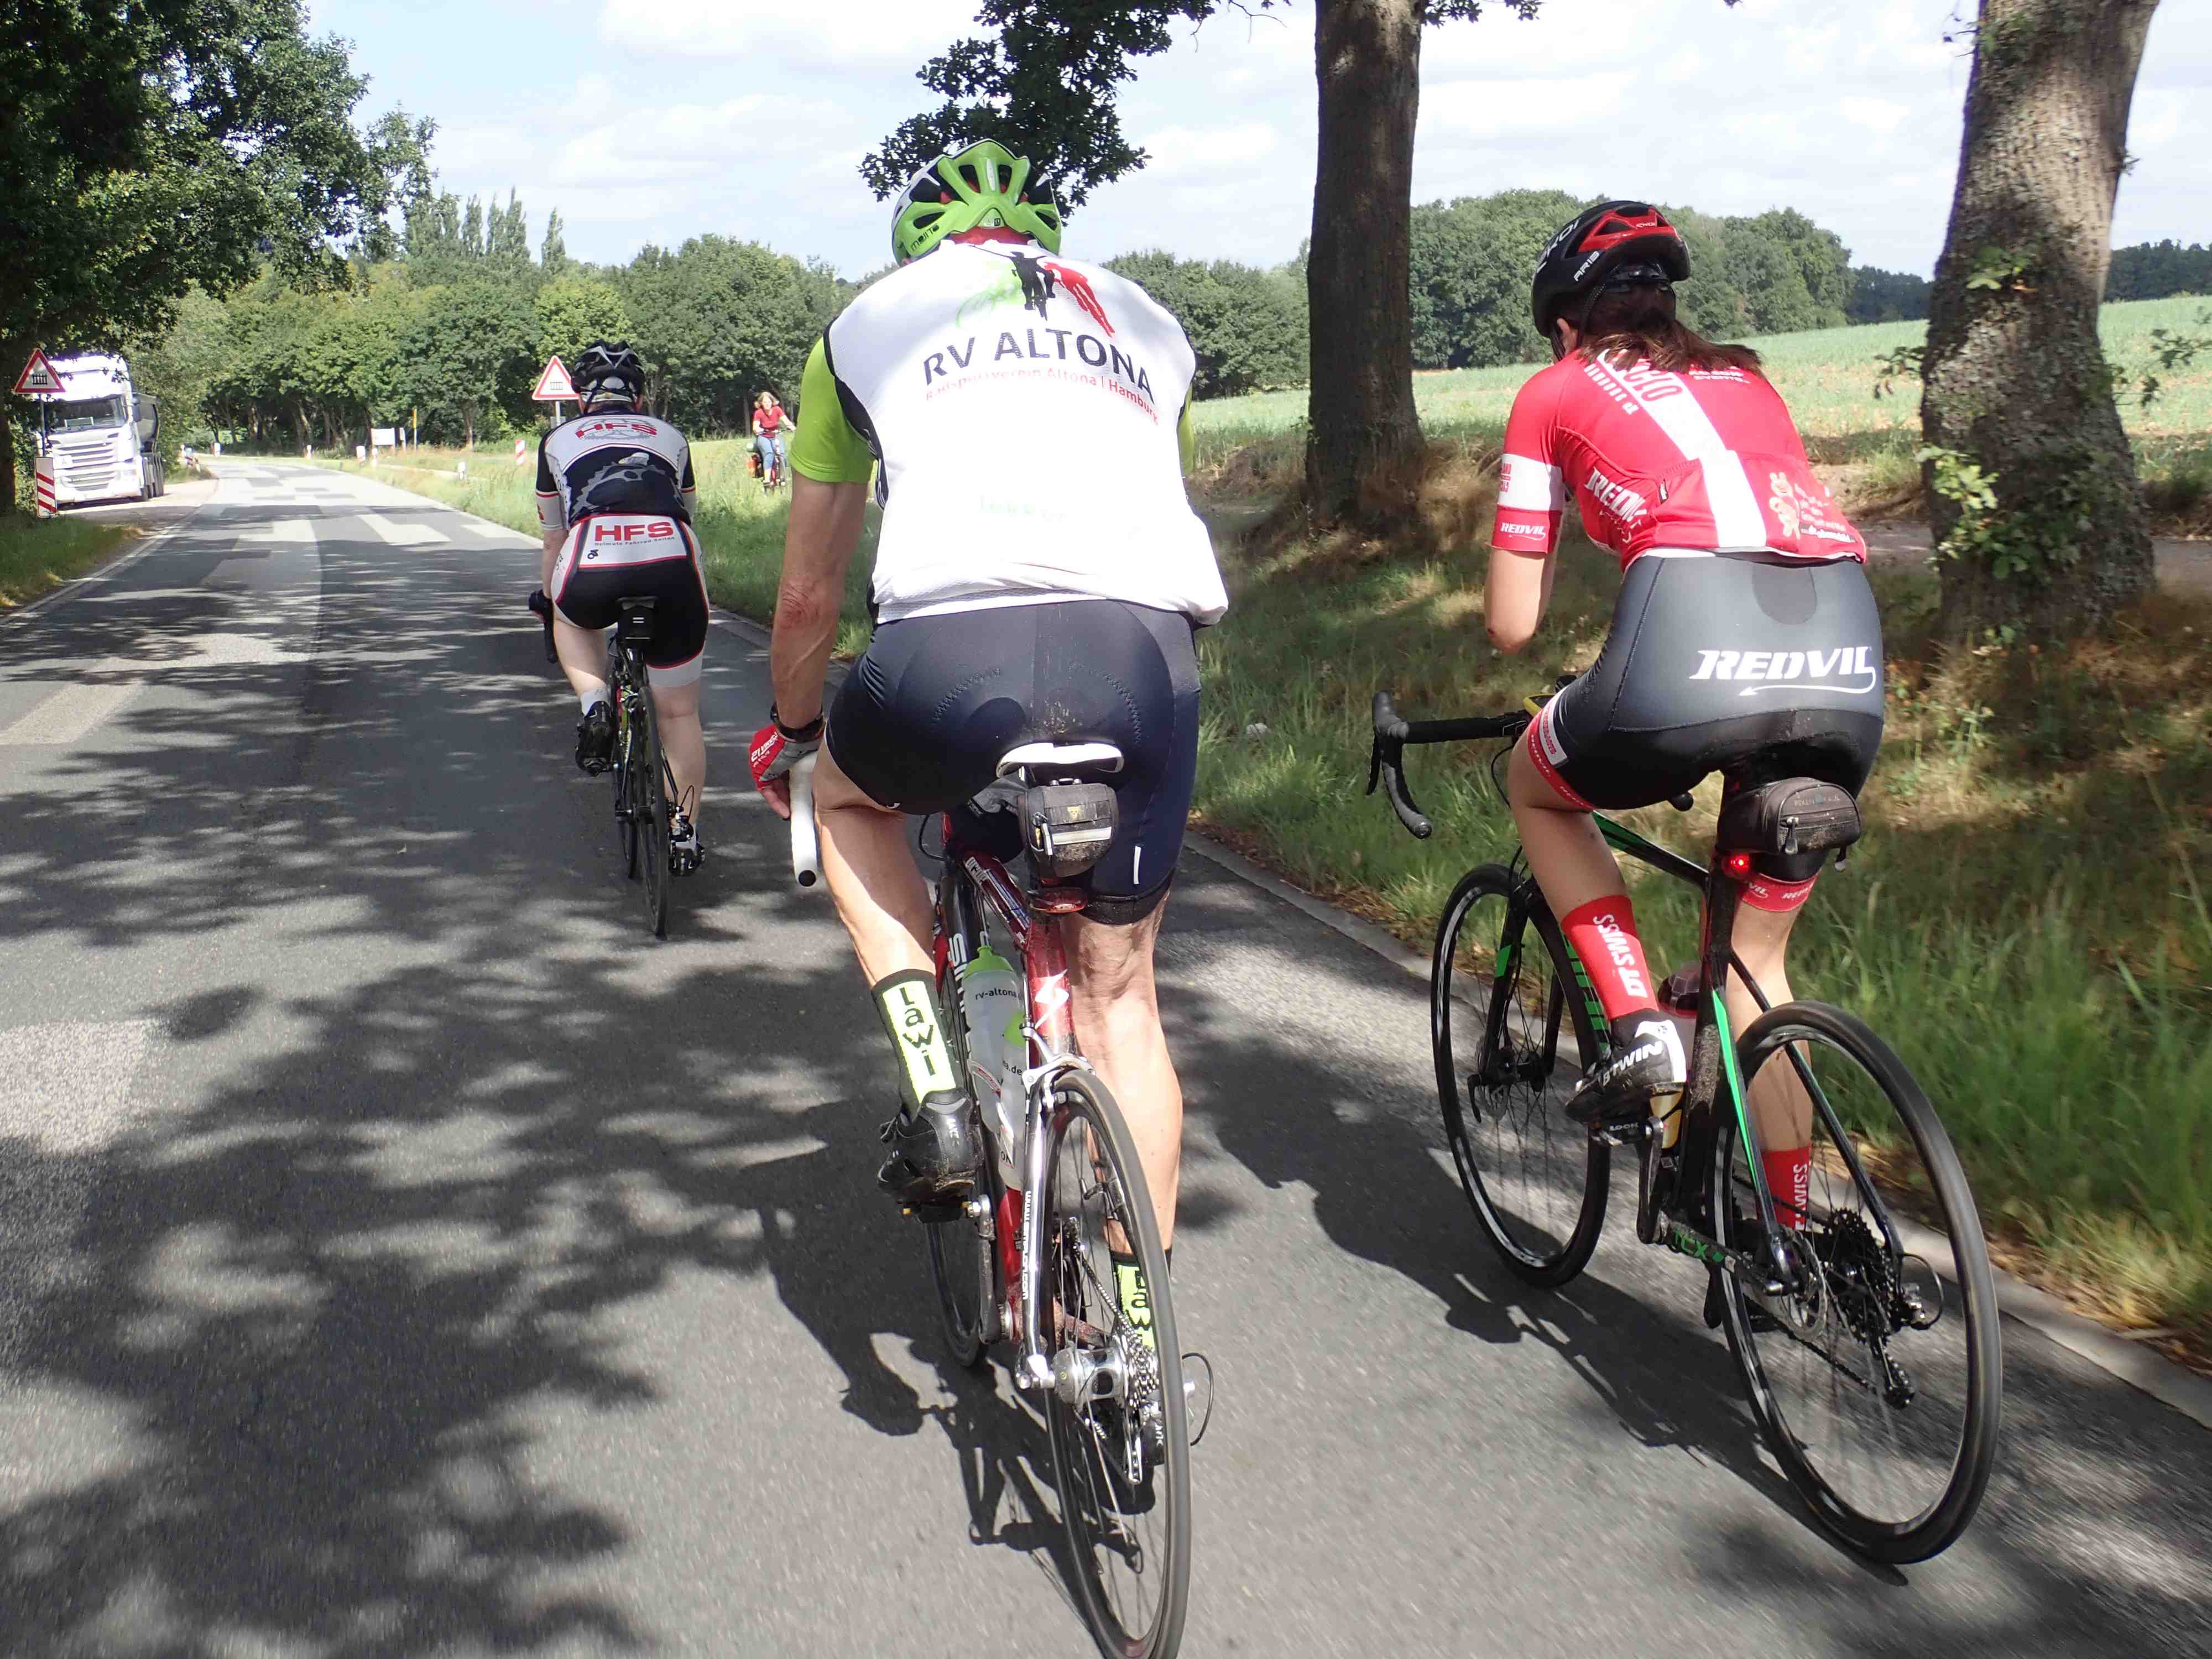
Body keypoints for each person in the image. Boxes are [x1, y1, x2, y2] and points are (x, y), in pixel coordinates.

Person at [748, 137, 1226, 1327]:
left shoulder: (862, 325)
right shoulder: (1143, 321)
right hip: (1140, 652)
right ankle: (1130, 1331)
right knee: (1124, 1003)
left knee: (847, 801)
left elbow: (809, 596)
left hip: (946, 655)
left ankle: (937, 1096)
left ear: (918, 245)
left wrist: (792, 732)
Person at [1488, 201, 1882, 1231]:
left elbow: (1512, 623)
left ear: (1568, 321)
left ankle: (1635, 1029)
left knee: (1536, 782)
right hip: (1846, 653)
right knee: (1755, 968)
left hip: (1685, 649)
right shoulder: (1747, 379)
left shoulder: (1552, 390)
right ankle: (1795, 1236)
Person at [536, 340, 712, 872]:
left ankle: (594, 702)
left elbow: (552, 537)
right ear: (638, 395)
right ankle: (684, 832)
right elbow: (689, 514)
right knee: (678, 710)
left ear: (582, 395)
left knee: (569, 614)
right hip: (672, 558)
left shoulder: (557, 439)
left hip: (592, 555)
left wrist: (549, 603)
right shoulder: (671, 436)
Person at [752, 392, 790, 488]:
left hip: (775, 434)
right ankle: (767, 479)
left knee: (782, 454)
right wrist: (758, 429)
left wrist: (793, 427)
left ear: (772, 402)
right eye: (765, 402)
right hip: (763, 436)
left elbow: (786, 421)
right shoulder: (759, 413)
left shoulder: (777, 409)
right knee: (769, 454)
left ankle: (783, 476)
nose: (767, 404)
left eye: (769, 401)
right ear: (761, 403)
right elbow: (755, 427)